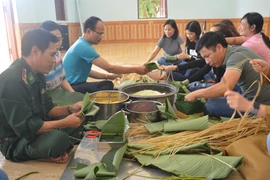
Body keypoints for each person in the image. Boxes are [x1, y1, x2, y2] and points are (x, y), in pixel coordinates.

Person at [0, 28, 86, 163]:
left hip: (38, 129)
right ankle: (55, 146)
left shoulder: (37, 74)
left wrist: (70, 109)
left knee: (80, 121)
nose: (54, 60)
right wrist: (63, 123)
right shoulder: (13, 80)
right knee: (59, 140)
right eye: (52, 55)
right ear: (35, 51)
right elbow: (25, 127)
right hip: (17, 140)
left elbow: (48, 108)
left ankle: (54, 147)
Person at [184, 31, 270, 118]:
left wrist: (196, 94)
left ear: (219, 48)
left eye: (207, 56)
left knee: (211, 104)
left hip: (260, 105)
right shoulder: (234, 51)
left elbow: (225, 87)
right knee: (208, 93)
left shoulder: (235, 56)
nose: (207, 62)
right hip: (246, 93)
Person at [63, 16, 150, 94]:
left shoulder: (80, 44)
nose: (102, 37)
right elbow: (109, 68)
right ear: (88, 31)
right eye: (99, 33)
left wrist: (107, 76)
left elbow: (86, 72)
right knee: (108, 87)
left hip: (75, 84)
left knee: (107, 84)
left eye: (102, 33)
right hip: (70, 87)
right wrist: (136, 69)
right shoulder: (84, 47)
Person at [161, 23, 233, 85]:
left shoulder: (229, 57)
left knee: (193, 76)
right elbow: (202, 62)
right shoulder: (211, 55)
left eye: (191, 33)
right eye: (187, 34)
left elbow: (202, 65)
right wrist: (176, 68)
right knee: (162, 60)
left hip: (199, 71)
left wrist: (188, 57)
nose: (188, 36)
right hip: (194, 68)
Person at [39, 20, 74, 92]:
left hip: (60, 94)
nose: (57, 44)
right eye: (52, 40)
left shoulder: (58, 54)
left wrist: (74, 94)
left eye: (59, 39)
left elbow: (62, 80)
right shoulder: (39, 62)